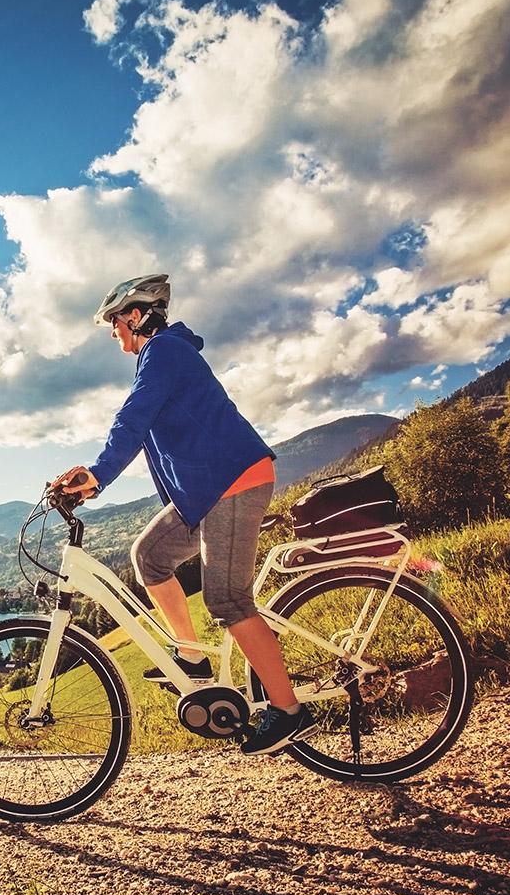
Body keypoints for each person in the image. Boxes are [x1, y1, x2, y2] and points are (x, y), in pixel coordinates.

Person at [51, 274, 314, 755]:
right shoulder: (162, 356)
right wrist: (96, 479)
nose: (113, 333)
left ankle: (288, 710)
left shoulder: (165, 352)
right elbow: (146, 429)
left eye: (114, 322)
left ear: (135, 315)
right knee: (149, 555)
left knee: (227, 601)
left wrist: (97, 473)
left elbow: (132, 420)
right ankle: (191, 657)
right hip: (206, 491)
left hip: (233, 481)